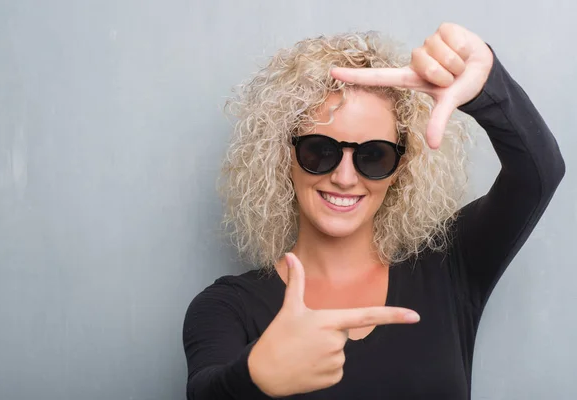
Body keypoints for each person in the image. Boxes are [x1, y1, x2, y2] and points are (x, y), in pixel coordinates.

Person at [182, 22, 565, 399]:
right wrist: (255, 377)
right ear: (285, 156)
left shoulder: (450, 268)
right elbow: (206, 390)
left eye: (374, 156)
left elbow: (537, 175)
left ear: (401, 168)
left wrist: (488, 88)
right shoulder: (227, 307)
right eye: (320, 151)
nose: (345, 178)